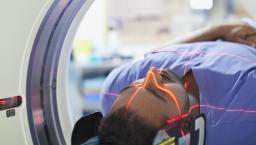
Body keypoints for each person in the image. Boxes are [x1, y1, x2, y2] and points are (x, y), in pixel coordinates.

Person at [81, 21, 256, 145]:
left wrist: (218, 31)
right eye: (158, 92)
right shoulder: (246, 110)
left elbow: (156, 55)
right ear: (186, 125)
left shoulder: (113, 89)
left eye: (133, 85)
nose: (151, 74)